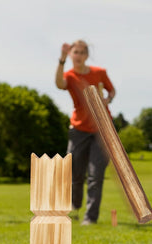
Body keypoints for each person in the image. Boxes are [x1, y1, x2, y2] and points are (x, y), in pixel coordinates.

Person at [55, 40, 116, 225]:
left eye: (82, 52)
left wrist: (108, 99)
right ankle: (74, 207)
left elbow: (112, 91)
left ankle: (90, 218)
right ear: (71, 54)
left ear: (87, 55)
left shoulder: (99, 73)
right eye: (76, 52)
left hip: (102, 129)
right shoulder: (70, 75)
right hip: (78, 129)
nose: (79, 55)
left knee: (95, 175)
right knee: (74, 173)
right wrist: (61, 60)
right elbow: (59, 84)